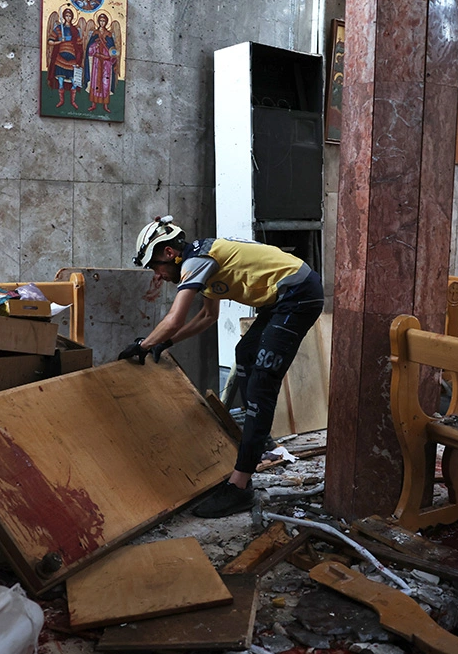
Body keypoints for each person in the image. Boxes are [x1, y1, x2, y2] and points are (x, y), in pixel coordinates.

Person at [118, 217, 324, 518]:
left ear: (169, 253)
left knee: (262, 382)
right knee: (245, 351)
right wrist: (167, 343)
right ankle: (259, 438)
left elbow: (175, 318)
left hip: (298, 294)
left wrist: (144, 345)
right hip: (284, 297)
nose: (158, 276)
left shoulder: (195, 262)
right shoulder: (203, 261)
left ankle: (240, 488)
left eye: (155, 267)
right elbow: (207, 317)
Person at [46, 8, 83, 109]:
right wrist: (60, 41)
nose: (68, 18)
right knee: (61, 80)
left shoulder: (75, 30)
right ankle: (61, 101)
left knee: (74, 81)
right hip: (60, 58)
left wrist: (79, 59)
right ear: (63, 17)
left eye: (70, 16)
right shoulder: (58, 28)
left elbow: (79, 44)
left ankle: (73, 101)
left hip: (72, 59)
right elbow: (50, 41)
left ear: (72, 17)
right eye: (66, 16)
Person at [83, 12, 118, 113]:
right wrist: (95, 46)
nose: (102, 23)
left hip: (106, 62)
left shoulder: (109, 35)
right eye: (100, 21)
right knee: (95, 82)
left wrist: (110, 56)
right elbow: (89, 49)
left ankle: (105, 105)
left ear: (106, 22)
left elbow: (113, 50)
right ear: (98, 22)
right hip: (96, 62)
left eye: (104, 21)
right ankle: (93, 104)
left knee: (105, 83)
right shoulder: (95, 34)